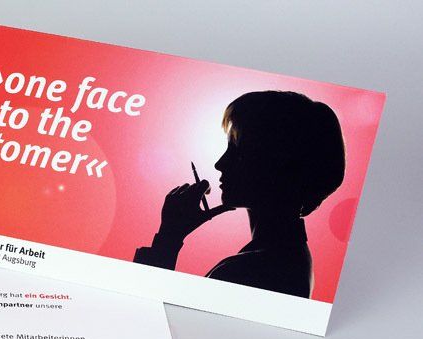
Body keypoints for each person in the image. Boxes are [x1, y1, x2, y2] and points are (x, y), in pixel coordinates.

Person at [133, 90, 345, 298]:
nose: (220, 164)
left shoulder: (247, 272)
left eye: (238, 151)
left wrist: (168, 239)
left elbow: (146, 313)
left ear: (279, 166)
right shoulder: (291, 258)